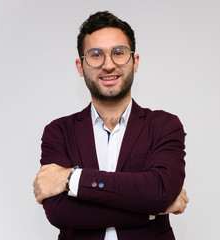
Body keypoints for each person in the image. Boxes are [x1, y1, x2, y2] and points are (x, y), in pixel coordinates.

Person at [33, 11, 189, 240]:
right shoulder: (58, 132)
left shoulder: (164, 125)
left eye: (118, 53)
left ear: (134, 62)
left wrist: (71, 179)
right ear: (80, 66)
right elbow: (61, 212)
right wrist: (150, 211)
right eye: (96, 54)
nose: (108, 65)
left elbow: (160, 191)